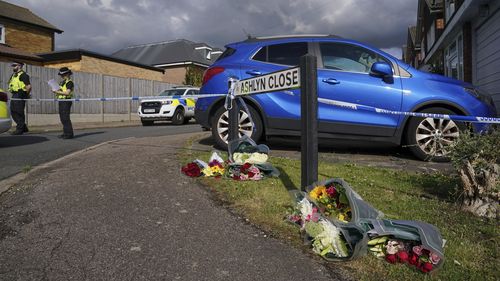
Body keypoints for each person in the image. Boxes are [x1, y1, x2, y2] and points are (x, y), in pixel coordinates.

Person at [8, 61, 31, 135]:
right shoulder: (14, 75)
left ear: (20, 66)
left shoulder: (23, 75)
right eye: (13, 65)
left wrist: (26, 95)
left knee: (19, 112)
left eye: (14, 65)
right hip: (14, 94)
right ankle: (23, 127)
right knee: (13, 111)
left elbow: (28, 87)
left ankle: (19, 129)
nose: (13, 67)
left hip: (20, 94)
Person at [53, 67, 74, 139]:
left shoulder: (69, 82)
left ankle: (69, 134)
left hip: (66, 101)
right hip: (61, 101)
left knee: (65, 118)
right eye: (61, 75)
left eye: (64, 74)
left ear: (68, 74)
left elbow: (67, 93)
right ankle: (65, 133)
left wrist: (57, 92)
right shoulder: (62, 82)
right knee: (62, 118)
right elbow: (61, 91)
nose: (62, 76)